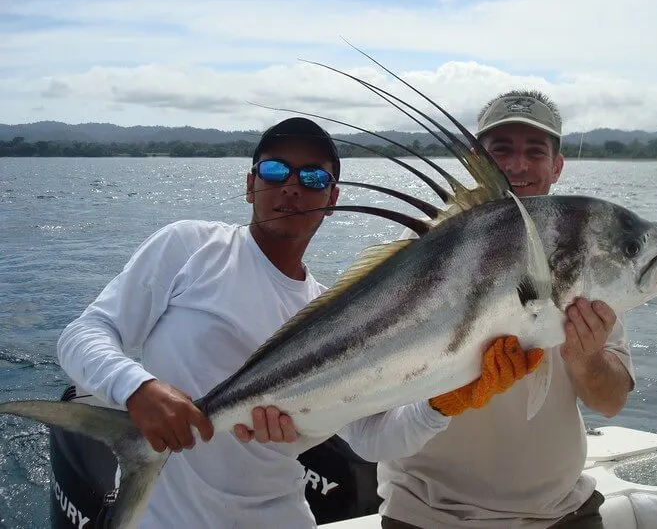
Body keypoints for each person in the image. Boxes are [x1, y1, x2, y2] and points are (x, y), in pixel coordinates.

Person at [56, 116, 537, 529]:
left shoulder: (336, 313)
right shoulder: (188, 248)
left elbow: (372, 439)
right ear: (250, 184)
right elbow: (83, 336)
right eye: (274, 169)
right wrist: (137, 389)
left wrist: (446, 402)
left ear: (331, 197)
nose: (290, 185)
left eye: (311, 177)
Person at [371, 91, 636, 529]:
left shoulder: (586, 266)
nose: (518, 165)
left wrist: (587, 356)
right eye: (501, 150)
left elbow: (610, 402)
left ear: (557, 166)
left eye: (535, 151)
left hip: (561, 514)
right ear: (477, 160)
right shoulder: (418, 257)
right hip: (428, 517)